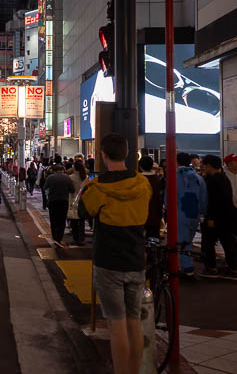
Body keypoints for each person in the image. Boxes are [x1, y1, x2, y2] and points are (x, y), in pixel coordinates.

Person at [78, 134, 152, 374]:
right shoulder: (143, 184)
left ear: (102, 155)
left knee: (117, 327)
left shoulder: (99, 188)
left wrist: (84, 188)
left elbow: (82, 212)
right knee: (134, 325)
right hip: (136, 262)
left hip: (109, 263)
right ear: (128, 152)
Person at [199, 155, 237, 279]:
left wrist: (211, 218)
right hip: (226, 217)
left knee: (209, 242)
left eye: (204, 164)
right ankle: (235, 268)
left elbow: (216, 201)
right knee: (228, 242)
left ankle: (211, 268)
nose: (202, 167)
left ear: (209, 165)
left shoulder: (215, 180)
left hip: (217, 217)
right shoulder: (223, 178)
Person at [175, 152, 208, 280]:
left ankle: (187, 269)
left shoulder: (175, 176)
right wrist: (203, 212)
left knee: (181, 243)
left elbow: (169, 197)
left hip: (179, 213)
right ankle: (187, 268)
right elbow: (204, 198)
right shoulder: (198, 178)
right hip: (194, 215)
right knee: (187, 241)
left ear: (176, 162)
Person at [44, 164, 75, 247]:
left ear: (54, 170)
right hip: (63, 201)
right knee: (62, 221)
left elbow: (45, 188)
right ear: (63, 170)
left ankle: (55, 238)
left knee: (53, 220)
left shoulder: (50, 178)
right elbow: (72, 190)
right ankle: (59, 239)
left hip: (53, 201)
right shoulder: (67, 178)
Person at [139, 155, 164, 239]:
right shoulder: (157, 179)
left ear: (140, 166)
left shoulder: (138, 179)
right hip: (155, 214)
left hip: (140, 215)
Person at [68, 160, 87, 245]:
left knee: (74, 221)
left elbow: (70, 190)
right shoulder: (85, 177)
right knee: (81, 220)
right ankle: (81, 238)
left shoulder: (71, 177)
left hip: (73, 200)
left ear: (74, 167)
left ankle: (76, 238)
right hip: (83, 200)